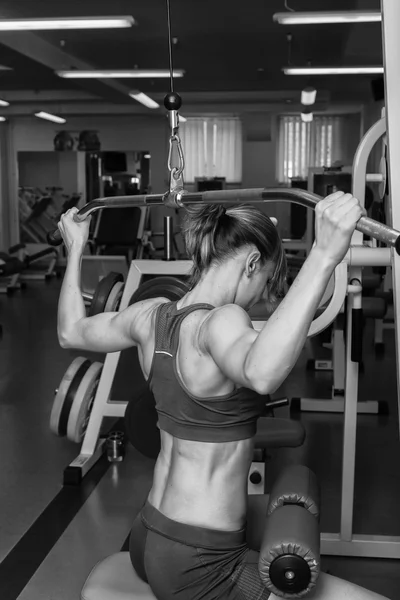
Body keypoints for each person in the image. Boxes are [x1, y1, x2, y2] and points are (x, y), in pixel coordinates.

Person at [57, 192, 389, 600]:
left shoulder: (151, 315)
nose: (261, 294)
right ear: (251, 263)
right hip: (200, 563)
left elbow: (71, 331)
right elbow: (261, 371)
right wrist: (323, 253)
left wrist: (76, 249)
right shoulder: (223, 320)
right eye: (265, 278)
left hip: (149, 532)